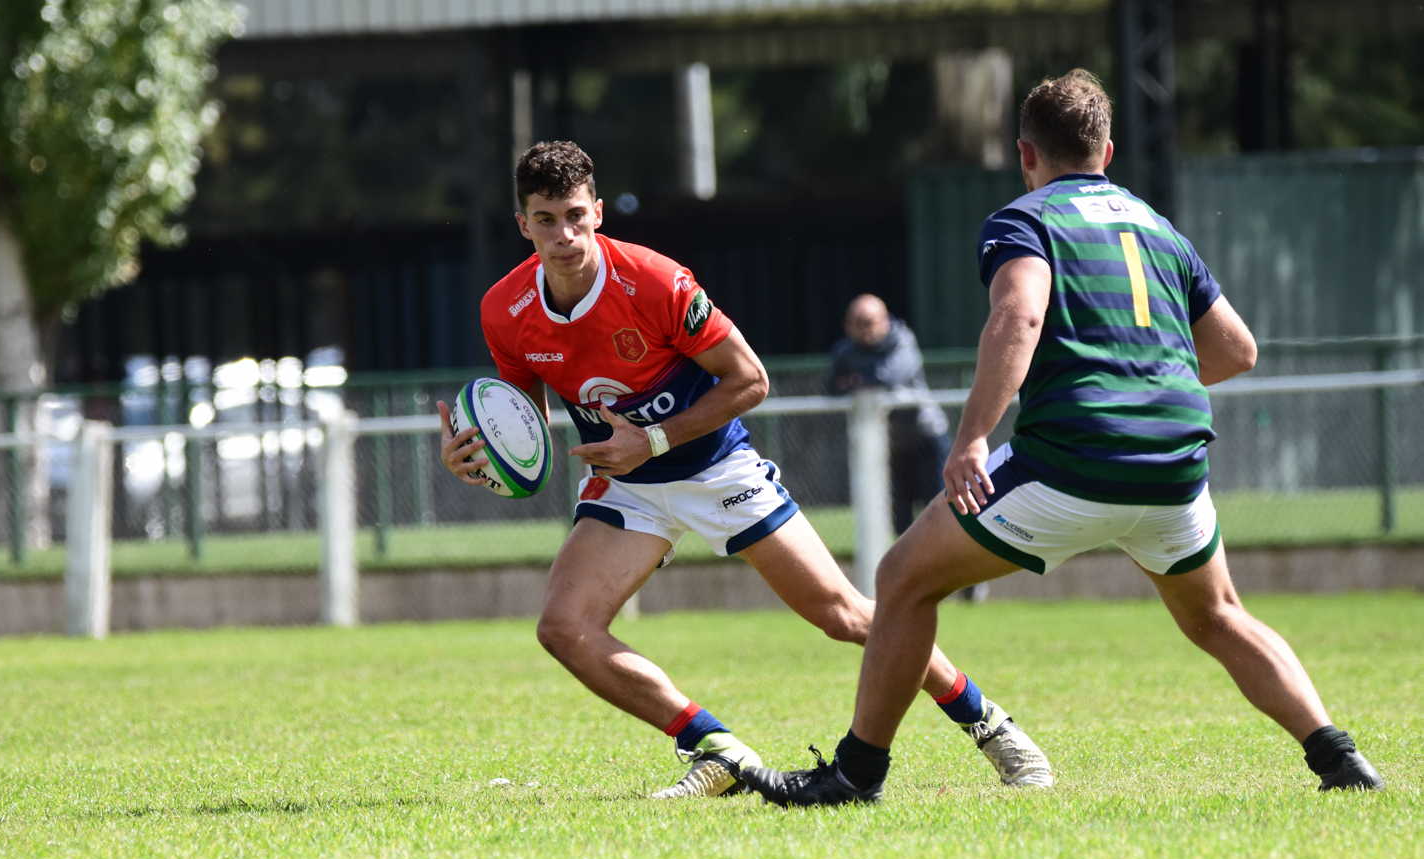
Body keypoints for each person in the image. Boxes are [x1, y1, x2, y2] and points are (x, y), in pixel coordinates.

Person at [742, 70, 1384, 806]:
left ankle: (856, 775)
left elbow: (1019, 316)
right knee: (1219, 615)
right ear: (1107, 151)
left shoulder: (1025, 220)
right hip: (1176, 470)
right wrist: (1142, 380)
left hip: (1071, 462)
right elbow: (1238, 350)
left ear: (1026, 154)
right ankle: (1339, 757)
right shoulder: (1159, 228)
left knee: (904, 580)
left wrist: (972, 437)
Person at [438, 141, 1052, 798]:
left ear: (598, 213)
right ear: (522, 224)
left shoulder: (654, 282)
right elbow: (523, 425)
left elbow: (750, 379)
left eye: (574, 216)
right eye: (545, 220)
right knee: (564, 628)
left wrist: (652, 439)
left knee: (843, 614)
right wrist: (477, 457)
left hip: (715, 468)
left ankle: (990, 726)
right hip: (628, 488)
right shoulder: (504, 309)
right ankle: (719, 750)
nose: (564, 235)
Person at [827, 295, 953, 539]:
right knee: (899, 519)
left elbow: (886, 378)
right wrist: (864, 382)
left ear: (885, 320)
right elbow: (832, 386)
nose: (865, 330)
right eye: (858, 323)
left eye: (870, 322)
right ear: (847, 326)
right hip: (889, 444)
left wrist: (854, 381)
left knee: (938, 509)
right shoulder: (845, 350)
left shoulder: (902, 340)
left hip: (925, 438)